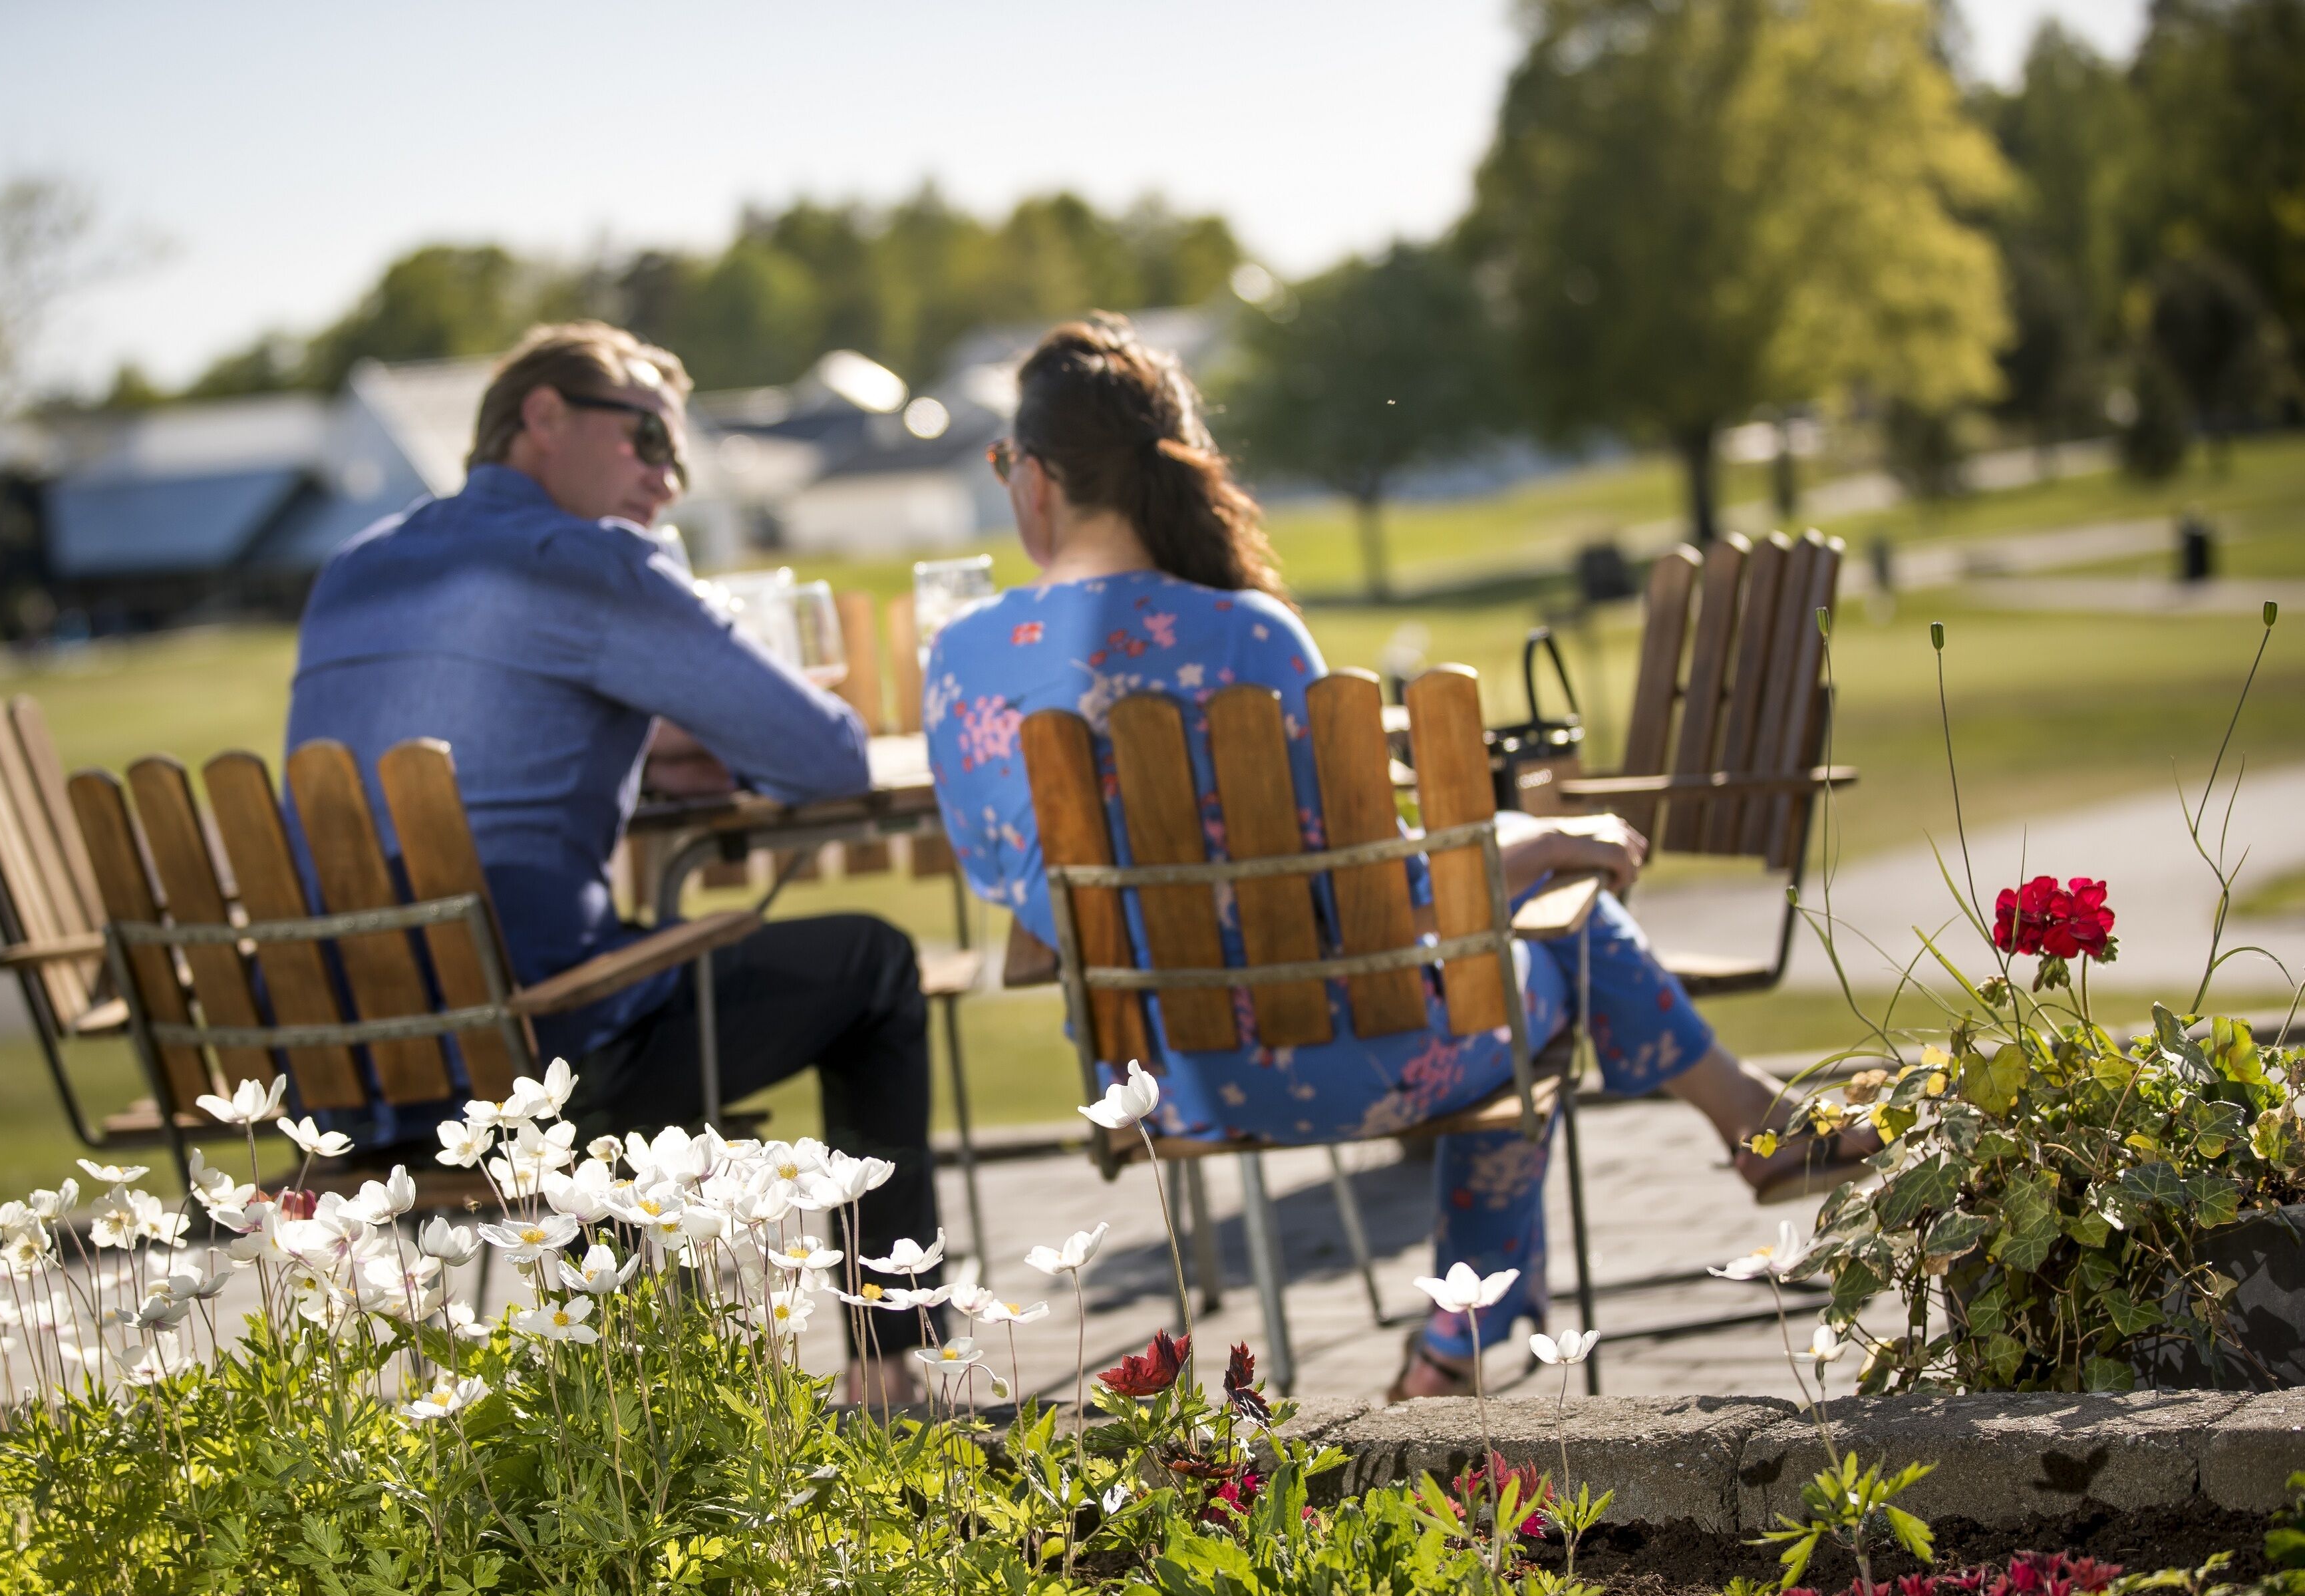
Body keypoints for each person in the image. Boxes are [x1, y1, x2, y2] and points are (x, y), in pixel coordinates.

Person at [922, 315, 1874, 1401]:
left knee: (1533, 957)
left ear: (1035, 478)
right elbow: (1382, 889)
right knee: (1548, 963)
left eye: (1004, 465)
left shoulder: (959, 661)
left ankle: (1532, 1292)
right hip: (1346, 1060)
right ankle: (1489, 1318)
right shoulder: (1250, 638)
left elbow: (1011, 885)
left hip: (1154, 1088)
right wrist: (1543, 839)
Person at [285, 322, 941, 1394]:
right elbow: (825, 759)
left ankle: (622, 1381)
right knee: (870, 965)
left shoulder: (355, 568)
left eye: (677, 456)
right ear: (543, 416)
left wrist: (645, 741)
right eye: (646, 439)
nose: (667, 480)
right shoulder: (587, 561)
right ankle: (885, 1368)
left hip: (347, 1067)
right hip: (531, 1061)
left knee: (628, 972)